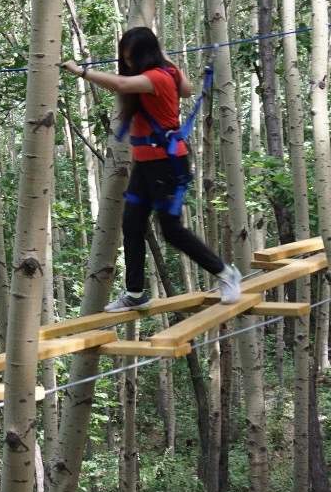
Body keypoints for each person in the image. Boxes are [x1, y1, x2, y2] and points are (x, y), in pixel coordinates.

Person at [61, 26, 242, 312]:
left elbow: (122, 86)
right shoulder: (165, 72)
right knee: (132, 223)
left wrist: (80, 72)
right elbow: (186, 89)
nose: (127, 63)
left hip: (166, 166)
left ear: (145, 55)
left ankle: (225, 273)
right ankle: (135, 292)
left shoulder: (156, 77)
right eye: (125, 57)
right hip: (146, 167)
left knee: (171, 231)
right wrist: (167, 58)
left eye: (131, 57)